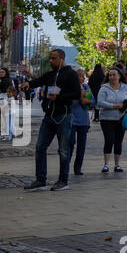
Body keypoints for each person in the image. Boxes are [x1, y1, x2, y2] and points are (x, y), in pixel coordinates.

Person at [24, 49, 81, 192]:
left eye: (54, 58)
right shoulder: (50, 74)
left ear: (62, 59)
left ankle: (63, 180)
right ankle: (40, 180)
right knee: (40, 147)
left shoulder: (71, 74)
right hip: (49, 116)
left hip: (63, 116)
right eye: (50, 58)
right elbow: (39, 80)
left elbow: (76, 94)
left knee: (63, 150)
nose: (51, 61)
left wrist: (59, 97)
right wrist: (29, 84)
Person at [95, 65, 127, 173]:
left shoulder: (125, 87)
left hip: (121, 118)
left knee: (118, 141)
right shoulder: (104, 88)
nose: (111, 77)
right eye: (110, 75)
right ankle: (106, 165)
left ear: (119, 76)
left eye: (114, 75)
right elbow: (100, 102)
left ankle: (117, 165)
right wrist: (113, 106)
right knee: (109, 140)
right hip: (107, 118)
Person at [70, 67, 94, 176]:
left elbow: (93, 102)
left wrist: (87, 101)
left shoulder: (86, 87)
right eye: (80, 75)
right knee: (70, 144)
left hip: (84, 120)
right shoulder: (70, 88)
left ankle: (77, 168)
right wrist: (80, 98)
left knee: (81, 146)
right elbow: (69, 102)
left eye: (83, 75)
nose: (83, 77)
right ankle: (65, 165)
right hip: (72, 120)